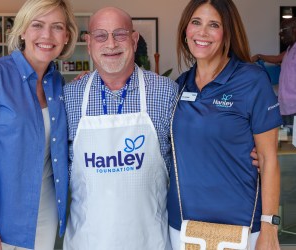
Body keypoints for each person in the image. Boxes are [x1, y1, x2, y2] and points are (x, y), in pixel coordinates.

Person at [0, 0, 78, 249]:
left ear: (66, 36)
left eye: (56, 27)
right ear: (22, 30)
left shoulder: (58, 85)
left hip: (43, 213)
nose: (47, 35)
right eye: (37, 25)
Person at [168, 0, 283, 249]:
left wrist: (269, 227)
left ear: (227, 33)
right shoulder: (179, 85)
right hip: (183, 225)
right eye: (196, 22)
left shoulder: (252, 81)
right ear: (185, 30)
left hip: (241, 225)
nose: (202, 32)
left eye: (214, 25)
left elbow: (268, 158)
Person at [62, 7, 179, 250]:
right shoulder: (70, 96)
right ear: (89, 42)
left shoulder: (166, 92)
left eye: (120, 34)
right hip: (87, 241)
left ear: (134, 41)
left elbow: (190, 158)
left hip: (150, 241)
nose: (111, 44)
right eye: (101, 36)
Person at [252, 17, 296, 127]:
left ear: (294, 30)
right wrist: (259, 56)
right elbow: (277, 58)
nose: (280, 34)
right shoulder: (290, 49)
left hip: (294, 105)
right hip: (286, 105)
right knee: (288, 138)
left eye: (284, 30)